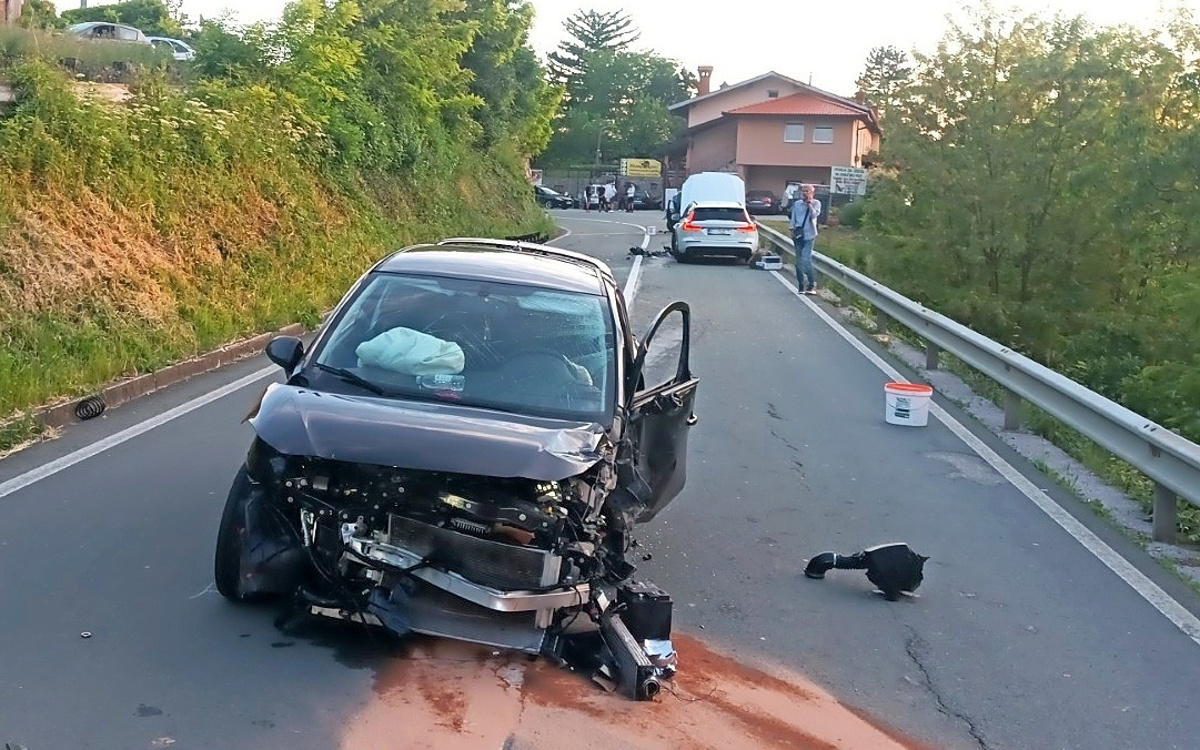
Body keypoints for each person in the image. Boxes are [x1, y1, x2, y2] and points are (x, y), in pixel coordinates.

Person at [789, 184, 821, 294]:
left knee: (806, 259)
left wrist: (809, 204)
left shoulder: (816, 203)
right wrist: (792, 230)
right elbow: (793, 218)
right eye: (803, 191)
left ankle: (811, 284)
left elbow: (814, 215)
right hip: (798, 235)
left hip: (809, 235)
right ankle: (801, 285)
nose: (805, 193)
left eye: (807, 191)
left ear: (812, 193)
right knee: (798, 261)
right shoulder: (797, 204)